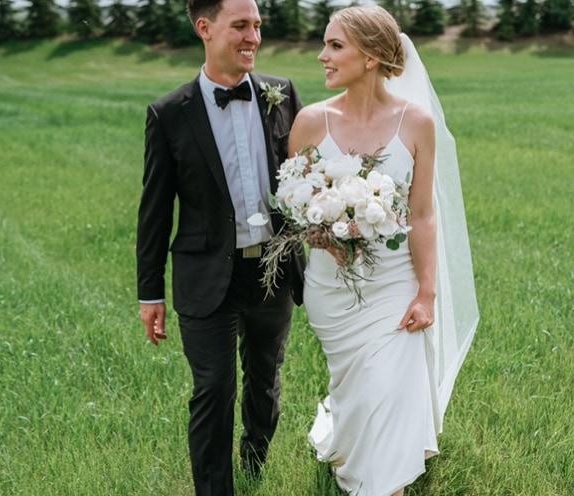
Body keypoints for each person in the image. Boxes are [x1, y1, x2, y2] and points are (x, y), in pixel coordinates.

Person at [287, 6, 479, 495]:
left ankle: (382, 486)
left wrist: (427, 292)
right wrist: (320, 232)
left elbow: (422, 214)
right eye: (325, 44)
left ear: (371, 55)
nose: (321, 55)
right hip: (333, 287)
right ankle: (351, 448)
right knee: (356, 389)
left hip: (397, 281)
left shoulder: (416, 123)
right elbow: (294, 206)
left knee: (392, 386)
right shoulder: (310, 123)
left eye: (335, 45)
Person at [135, 0, 305, 493]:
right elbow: (154, 210)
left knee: (264, 387)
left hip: (273, 270)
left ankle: (254, 465)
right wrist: (150, 293)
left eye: (256, 25)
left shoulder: (282, 94)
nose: (253, 36)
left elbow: (305, 176)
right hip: (206, 275)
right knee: (213, 388)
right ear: (205, 29)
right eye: (240, 26)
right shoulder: (169, 114)